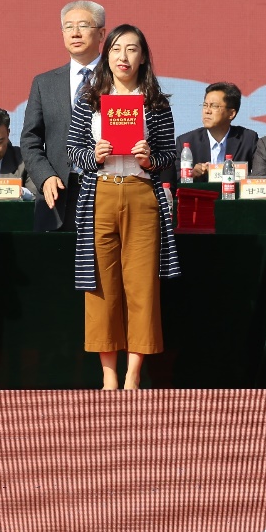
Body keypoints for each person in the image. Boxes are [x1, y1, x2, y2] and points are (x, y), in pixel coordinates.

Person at [68, 24, 179, 390]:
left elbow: (168, 154)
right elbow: (72, 150)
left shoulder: (156, 103)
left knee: (142, 284)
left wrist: (150, 159)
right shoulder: (89, 99)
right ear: (107, 55)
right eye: (116, 49)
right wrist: (93, 155)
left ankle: (133, 373)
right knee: (101, 284)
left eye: (132, 49)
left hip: (140, 193)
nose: (123, 57)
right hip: (100, 193)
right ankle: (109, 375)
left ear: (143, 57)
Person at [21, 0, 107, 232]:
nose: (75, 33)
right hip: (59, 193)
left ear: (101, 34)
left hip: (107, 191)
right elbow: (30, 140)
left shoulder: (118, 79)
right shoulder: (45, 83)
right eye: (68, 27)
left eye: (83, 26)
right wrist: (45, 176)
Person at [170, 81, 259, 183]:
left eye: (214, 106)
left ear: (231, 113)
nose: (207, 111)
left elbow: (259, 176)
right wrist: (191, 174)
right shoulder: (186, 142)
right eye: (205, 105)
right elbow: (172, 181)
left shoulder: (248, 139)